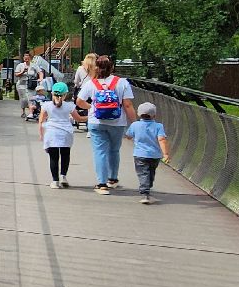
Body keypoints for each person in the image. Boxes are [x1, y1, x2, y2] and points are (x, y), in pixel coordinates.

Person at [77, 54, 137, 193]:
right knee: (114, 150)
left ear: (96, 68)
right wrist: (134, 123)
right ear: (112, 67)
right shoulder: (122, 82)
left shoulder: (91, 83)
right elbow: (127, 105)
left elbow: (79, 102)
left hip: (96, 121)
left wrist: (92, 107)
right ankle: (113, 179)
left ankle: (101, 184)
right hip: (117, 122)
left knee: (100, 151)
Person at [125, 101, 171, 204]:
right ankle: (148, 186)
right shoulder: (159, 126)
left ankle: (145, 193)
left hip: (140, 154)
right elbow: (162, 140)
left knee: (143, 173)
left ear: (139, 114)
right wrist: (166, 154)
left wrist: (132, 136)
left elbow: (128, 136)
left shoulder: (135, 125)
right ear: (154, 115)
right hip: (155, 156)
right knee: (151, 172)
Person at [39, 80, 78, 187]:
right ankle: (63, 176)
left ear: (52, 93)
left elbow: (41, 121)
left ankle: (55, 181)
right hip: (66, 133)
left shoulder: (46, 105)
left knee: (53, 158)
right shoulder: (70, 106)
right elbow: (78, 118)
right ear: (65, 95)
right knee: (65, 155)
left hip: (51, 134)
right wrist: (90, 116)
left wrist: (41, 134)